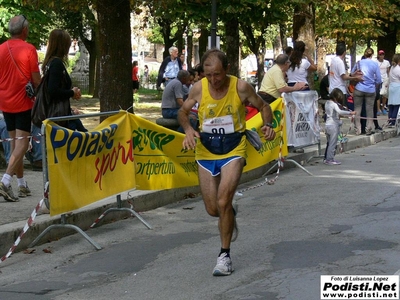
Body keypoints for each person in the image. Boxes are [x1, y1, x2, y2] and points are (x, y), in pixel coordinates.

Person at [178, 49, 276, 276]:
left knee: (222, 201)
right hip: (205, 151)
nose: (213, 80)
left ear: (227, 70)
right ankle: (228, 214)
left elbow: (264, 107)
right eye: (208, 75)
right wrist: (188, 130)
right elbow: (182, 112)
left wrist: (267, 125)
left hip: (234, 148)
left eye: (218, 75)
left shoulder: (240, 87)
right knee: (214, 209)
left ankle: (224, 256)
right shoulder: (198, 88)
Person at [0, 15, 41, 201]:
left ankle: (22, 184)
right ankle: (6, 181)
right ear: (24, 30)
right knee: (23, 144)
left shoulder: (0, 49)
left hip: (5, 102)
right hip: (23, 102)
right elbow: (36, 79)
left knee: (14, 143)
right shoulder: (29, 49)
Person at [41, 29, 83, 131]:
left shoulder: (50, 63)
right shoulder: (56, 64)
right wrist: (72, 93)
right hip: (57, 114)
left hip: (58, 111)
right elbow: (53, 90)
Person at [351, 48, 381, 135]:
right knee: (369, 110)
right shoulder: (375, 64)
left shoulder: (359, 63)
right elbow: (379, 80)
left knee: (357, 108)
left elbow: (352, 73)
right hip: (370, 90)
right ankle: (368, 129)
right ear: (372, 55)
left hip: (359, 88)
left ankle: (358, 129)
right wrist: (373, 84)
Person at [324, 88, 356, 165]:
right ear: (336, 97)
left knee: (329, 143)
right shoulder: (334, 104)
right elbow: (340, 112)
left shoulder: (327, 103)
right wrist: (350, 113)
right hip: (333, 126)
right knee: (333, 144)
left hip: (327, 125)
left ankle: (326, 158)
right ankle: (330, 159)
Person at [328, 42, 363, 107]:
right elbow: (344, 77)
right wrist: (355, 78)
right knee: (341, 110)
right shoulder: (340, 62)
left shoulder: (333, 60)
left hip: (332, 89)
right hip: (339, 91)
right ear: (344, 52)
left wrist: (352, 75)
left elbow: (339, 75)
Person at [376, 50, 390, 115]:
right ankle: (378, 109)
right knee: (378, 94)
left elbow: (388, 71)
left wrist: (389, 79)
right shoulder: (376, 62)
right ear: (378, 55)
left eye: (383, 54)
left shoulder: (386, 62)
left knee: (385, 94)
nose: (382, 56)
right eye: (380, 54)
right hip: (378, 79)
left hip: (385, 79)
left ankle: (383, 107)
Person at [387, 53, 400, 127]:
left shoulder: (392, 68)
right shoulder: (398, 69)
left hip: (391, 86)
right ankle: (393, 121)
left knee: (391, 104)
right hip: (397, 87)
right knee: (396, 104)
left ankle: (390, 120)